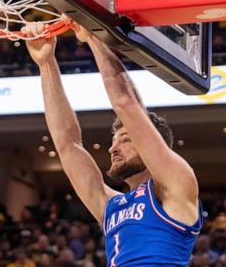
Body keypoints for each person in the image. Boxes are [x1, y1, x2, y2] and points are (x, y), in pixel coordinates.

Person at [23, 22, 202, 266]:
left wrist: (95, 38)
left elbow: (126, 103)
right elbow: (67, 144)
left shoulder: (175, 185)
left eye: (126, 139)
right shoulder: (110, 206)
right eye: (114, 141)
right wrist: (46, 64)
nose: (112, 148)